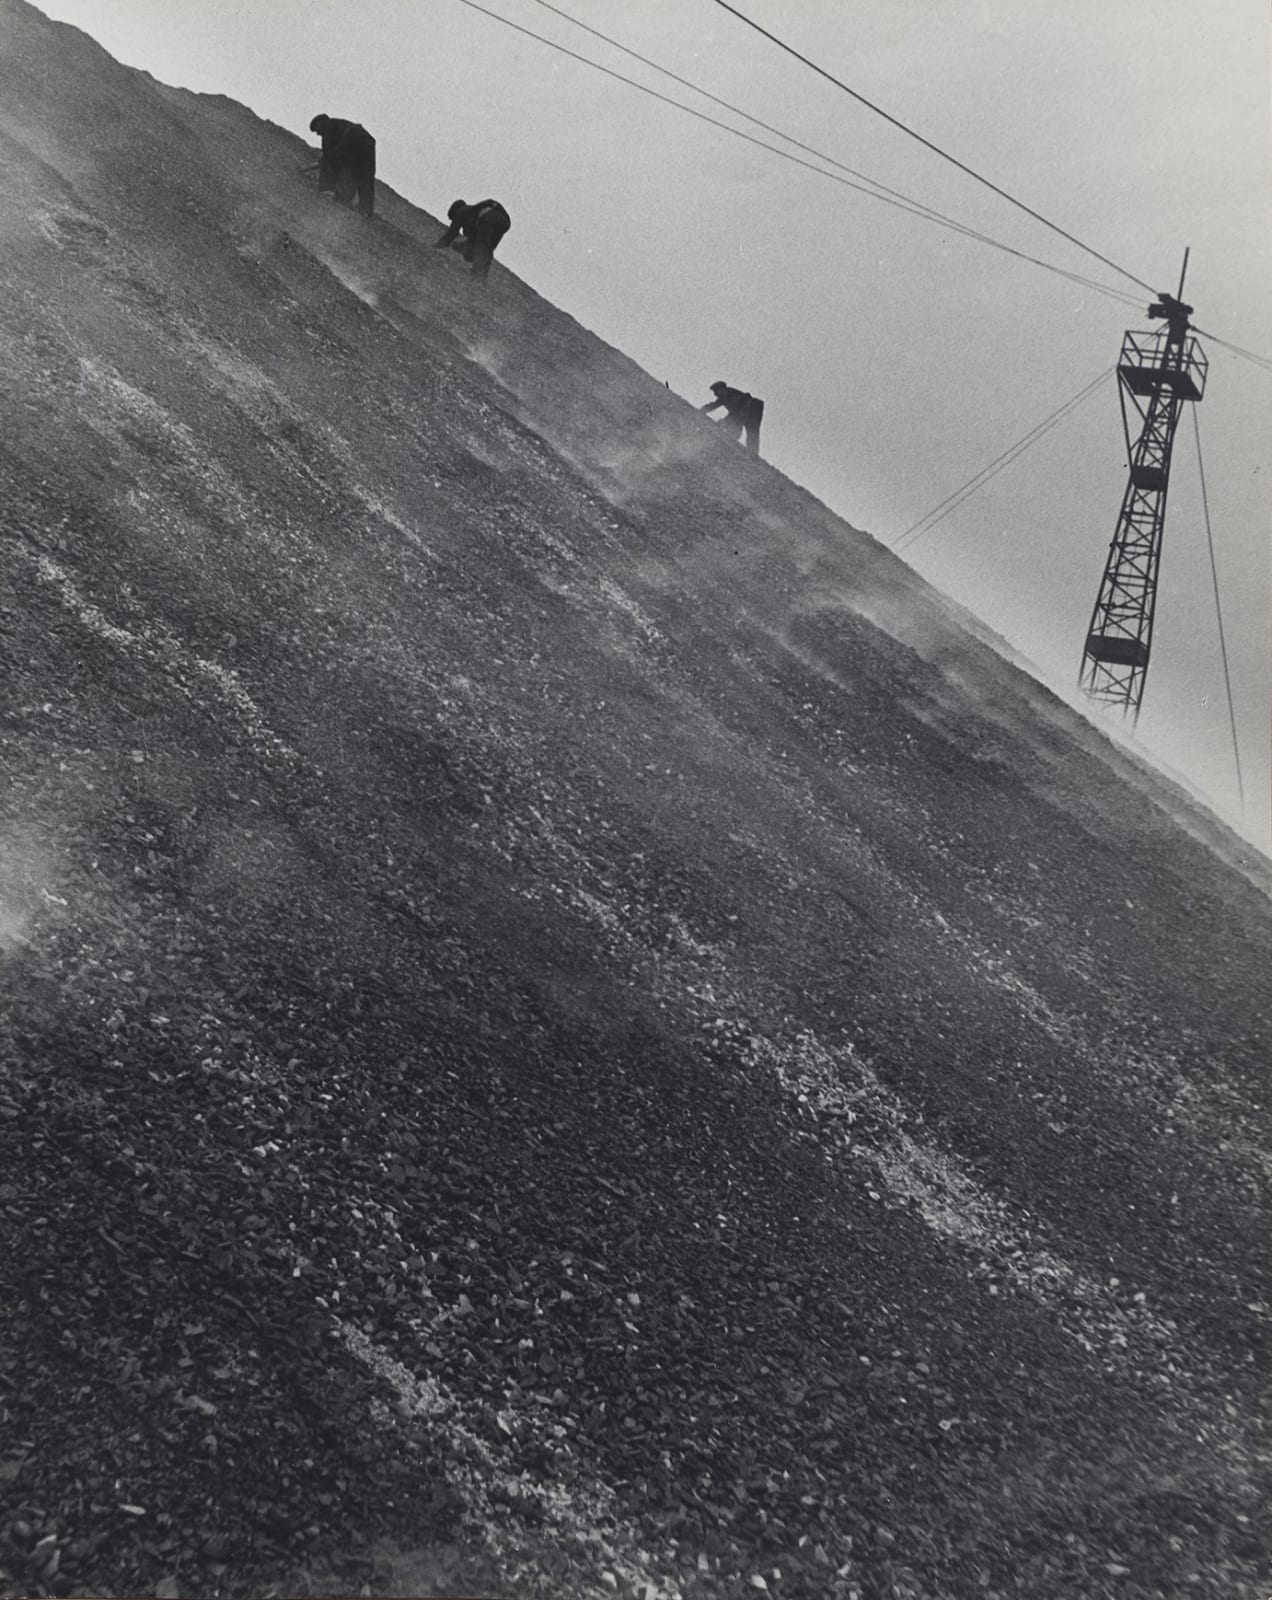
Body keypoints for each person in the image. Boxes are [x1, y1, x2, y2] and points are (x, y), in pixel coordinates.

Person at [308, 114, 376, 218]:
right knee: (366, 175)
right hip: (367, 141)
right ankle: (366, 210)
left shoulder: (328, 126)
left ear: (319, 124)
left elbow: (328, 153)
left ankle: (327, 189)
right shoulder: (339, 124)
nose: (318, 134)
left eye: (317, 131)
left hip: (353, 138)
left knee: (330, 159)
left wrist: (322, 162)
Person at [434, 199, 511, 282]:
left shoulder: (461, 211)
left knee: (481, 246)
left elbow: (452, 232)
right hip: (505, 222)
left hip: (490, 218)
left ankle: (478, 275)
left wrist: (438, 245)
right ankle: (481, 276)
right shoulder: (472, 214)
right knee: (486, 248)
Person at [700, 381, 764, 456]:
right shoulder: (724, 396)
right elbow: (714, 405)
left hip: (753, 409)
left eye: (716, 391)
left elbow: (736, 412)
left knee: (751, 431)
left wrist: (724, 421)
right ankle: (747, 450)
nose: (715, 395)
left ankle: (753, 454)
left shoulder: (732, 395)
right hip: (747, 411)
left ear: (722, 389)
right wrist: (702, 410)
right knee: (739, 426)